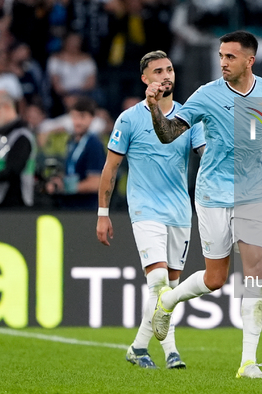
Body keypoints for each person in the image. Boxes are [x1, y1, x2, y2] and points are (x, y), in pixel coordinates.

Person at [145, 30, 262, 379]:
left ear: (249, 60)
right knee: (216, 279)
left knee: (257, 268)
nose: (223, 62)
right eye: (221, 56)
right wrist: (155, 108)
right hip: (212, 193)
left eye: (230, 57)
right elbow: (168, 134)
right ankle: (168, 301)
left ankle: (248, 362)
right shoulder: (206, 95)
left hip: (254, 192)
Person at [96, 50, 205, 369]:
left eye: (169, 69)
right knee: (158, 283)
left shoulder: (188, 116)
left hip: (180, 211)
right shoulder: (129, 118)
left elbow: (205, 155)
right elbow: (110, 169)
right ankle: (171, 352)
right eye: (158, 71)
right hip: (145, 209)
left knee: (171, 291)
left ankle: (138, 347)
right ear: (146, 79)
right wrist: (103, 214)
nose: (166, 75)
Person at [45, 96, 105, 209]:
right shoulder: (71, 141)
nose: (77, 122)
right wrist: (58, 181)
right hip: (70, 205)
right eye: (74, 117)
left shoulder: (94, 144)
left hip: (86, 208)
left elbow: (96, 183)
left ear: (92, 118)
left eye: (82, 117)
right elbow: (72, 171)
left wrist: (67, 187)